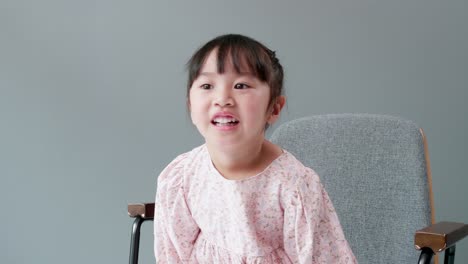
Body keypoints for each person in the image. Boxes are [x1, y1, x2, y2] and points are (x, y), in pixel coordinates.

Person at [154, 34, 356, 263]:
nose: (222, 98)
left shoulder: (294, 186)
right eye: (207, 85)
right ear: (191, 106)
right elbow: (173, 256)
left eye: (241, 85)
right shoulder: (181, 177)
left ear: (274, 108)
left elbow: (325, 258)